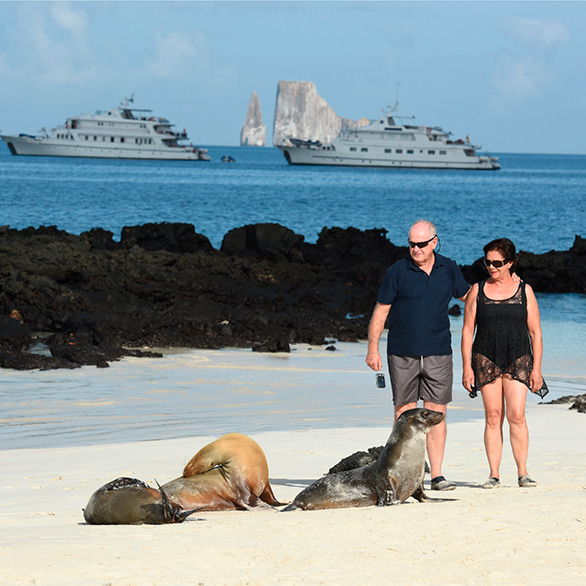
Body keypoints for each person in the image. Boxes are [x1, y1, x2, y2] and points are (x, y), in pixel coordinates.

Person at [366, 219, 470, 491]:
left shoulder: (449, 268)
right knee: (405, 414)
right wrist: (372, 348)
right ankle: (406, 476)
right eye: (411, 244)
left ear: (435, 242)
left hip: (439, 351)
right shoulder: (397, 271)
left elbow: (469, 297)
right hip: (401, 352)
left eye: (421, 244)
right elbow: (381, 310)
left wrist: (504, 292)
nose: (416, 249)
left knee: (437, 413)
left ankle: (436, 476)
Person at [461, 238, 543, 489]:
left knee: (516, 415)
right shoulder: (477, 290)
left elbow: (536, 333)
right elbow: (466, 331)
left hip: (519, 356)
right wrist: (466, 368)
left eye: (497, 262)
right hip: (485, 357)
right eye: (487, 262)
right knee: (493, 415)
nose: (491, 267)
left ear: (510, 262)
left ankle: (523, 473)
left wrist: (536, 369)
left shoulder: (525, 290)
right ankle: (494, 474)